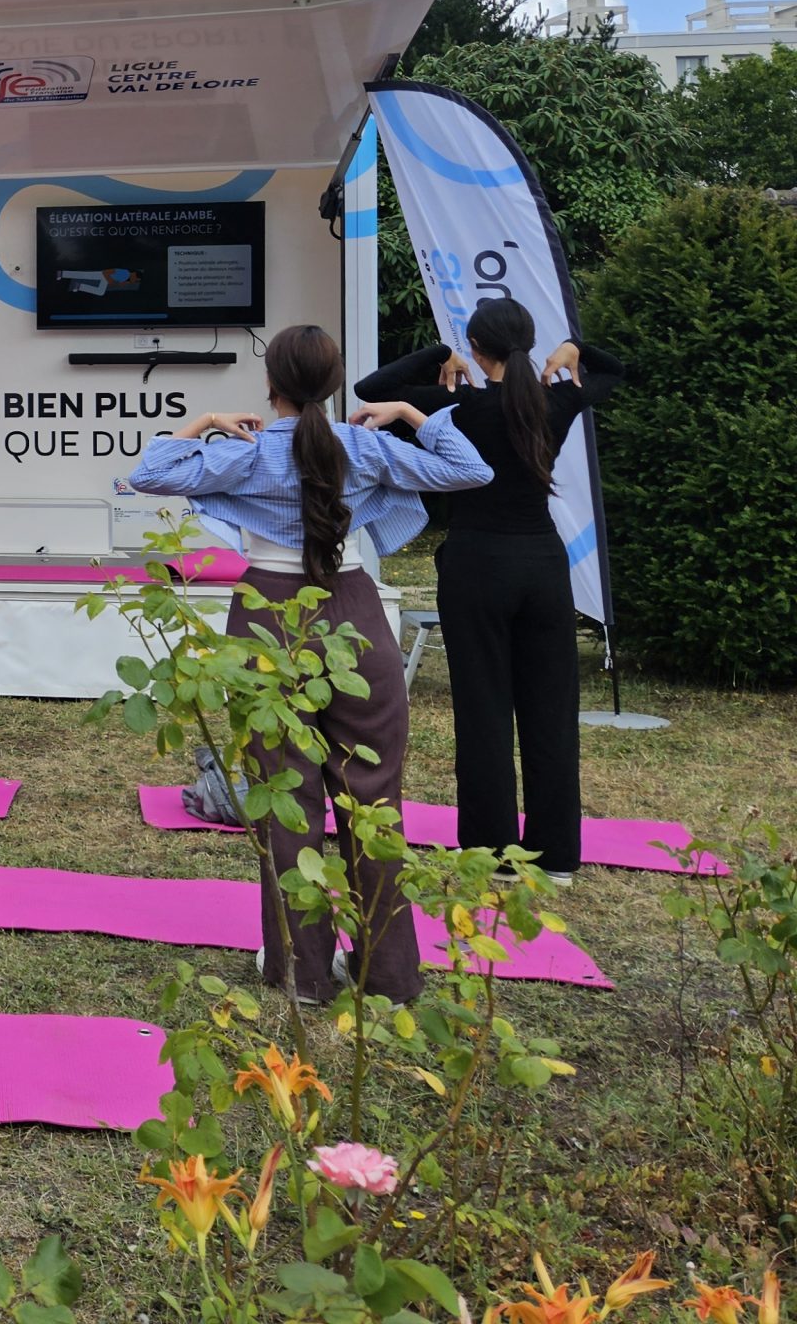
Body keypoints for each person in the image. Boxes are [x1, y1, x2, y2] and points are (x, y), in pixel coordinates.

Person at [128, 324, 493, 1008]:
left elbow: (149, 472)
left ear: (272, 386)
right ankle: (389, 975)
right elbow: (471, 470)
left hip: (266, 614)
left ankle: (301, 974)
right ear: (332, 384)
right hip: (355, 613)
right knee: (374, 797)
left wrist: (204, 420)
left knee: (283, 797)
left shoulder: (249, 453)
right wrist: (413, 413)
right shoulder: (363, 444)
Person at [355, 300, 626, 885]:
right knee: (551, 712)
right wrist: (575, 349)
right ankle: (555, 856)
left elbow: (371, 385)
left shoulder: (458, 404)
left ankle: (493, 854)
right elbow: (620, 371)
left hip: (476, 565)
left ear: (476, 349)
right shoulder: (556, 400)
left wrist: (437, 355)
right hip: (543, 566)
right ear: (528, 345)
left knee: (483, 711)